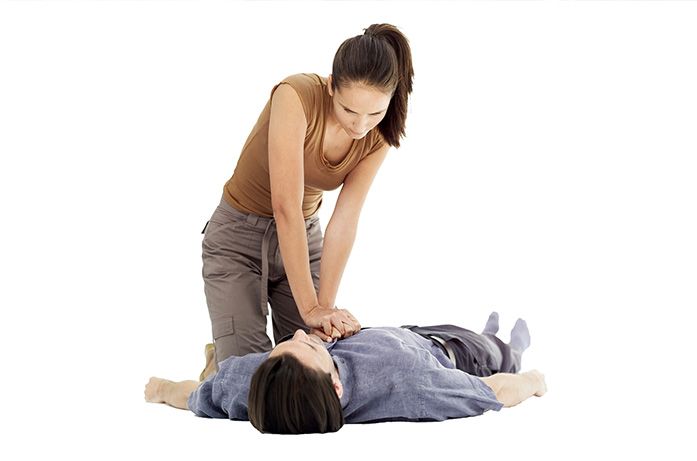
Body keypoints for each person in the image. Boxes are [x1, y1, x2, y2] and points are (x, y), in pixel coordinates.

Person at [198, 23, 414, 373]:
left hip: (304, 239)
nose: (360, 126)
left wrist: (323, 310)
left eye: (374, 113)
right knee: (250, 376)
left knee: (311, 369)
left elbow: (345, 219)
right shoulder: (295, 95)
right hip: (238, 237)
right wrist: (310, 308)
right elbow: (286, 206)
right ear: (331, 85)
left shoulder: (380, 136)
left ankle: (219, 364)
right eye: (349, 110)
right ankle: (211, 370)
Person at [145, 312, 547, 434]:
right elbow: (492, 391)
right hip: (449, 353)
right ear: (335, 386)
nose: (300, 333)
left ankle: (491, 333)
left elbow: (195, 395)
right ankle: (509, 344)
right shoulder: (410, 382)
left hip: (400, 333)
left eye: (283, 344)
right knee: (498, 353)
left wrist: (162, 388)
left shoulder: (252, 383)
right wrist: (533, 381)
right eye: (309, 346)